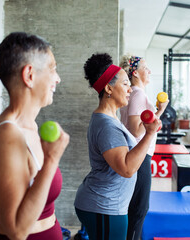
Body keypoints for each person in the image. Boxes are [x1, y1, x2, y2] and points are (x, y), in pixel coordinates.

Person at [0, 32, 70, 240]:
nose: (57, 78)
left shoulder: (28, 125)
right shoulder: (7, 137)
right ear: (29, 75)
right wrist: (51, 160)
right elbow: (17, 231)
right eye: (52, 69)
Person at [74, 53, 161, 240]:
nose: (130, 89)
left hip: (108, 205)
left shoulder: (110, 118)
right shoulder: (106, 125)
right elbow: (127, 169)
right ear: (108, 88)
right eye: (125, 84)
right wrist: (150, 133)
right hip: (104, 206)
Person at [119, 55, 169, 240]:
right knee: (139, 210)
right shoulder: (138, 94)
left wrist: (154, 113)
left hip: (138, 155)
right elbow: (135, 130)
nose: (149, 71)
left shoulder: (133, 93)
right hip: (140, 156)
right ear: (135, 73)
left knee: (137, 209)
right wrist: (160, 110)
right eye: (145, 68)